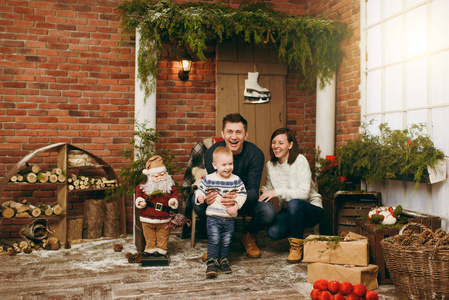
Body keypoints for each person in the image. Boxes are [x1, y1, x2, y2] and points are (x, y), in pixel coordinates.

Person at [191, 113, 275, 259]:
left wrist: (237, 198)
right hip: (219, 201)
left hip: (244, 199)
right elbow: (211, 184)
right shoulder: (212, 153)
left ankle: (248, 235)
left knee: (268, 211)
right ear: (223, 134)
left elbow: (254, 191)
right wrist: (209, 197)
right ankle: (214, 241)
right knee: (196, 201)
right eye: (230, 131)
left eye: (238, 132)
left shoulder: (255, 155)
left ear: (246, 135)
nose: (234, 137)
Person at [258, 128, 323, 264]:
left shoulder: (300, 161)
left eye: (281, 143)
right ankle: (298, 233)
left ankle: (296, 247)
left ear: (290, 145)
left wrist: (277, 192)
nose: (276, 146)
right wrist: (264, 189)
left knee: (294, 203)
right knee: (273, 232)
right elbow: (271, 186)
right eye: (274, 142)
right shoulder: (271, 165)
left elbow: (304, 193)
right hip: (289, 210)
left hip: (311, 209)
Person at [195, 146, 247, 278]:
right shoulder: (209, 179)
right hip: (213, 217)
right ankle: (211, 262)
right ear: (215, 165)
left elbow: (243, 194)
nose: (228, 167)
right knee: (214, 239)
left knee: (226, 240)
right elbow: (200, 190)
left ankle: (223, 260)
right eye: (224, 164)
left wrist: (236, 206)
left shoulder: (236, 179)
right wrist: (200, 197)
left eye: (230, 163)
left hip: (229, 217)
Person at [135, 155, 180, 257]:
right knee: (149, 236)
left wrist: (173, 201)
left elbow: (175, 194)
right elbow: (138, 196)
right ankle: (150, 249)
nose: (159, 178)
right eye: (156, 176)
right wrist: (140, 202)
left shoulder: (170, 186)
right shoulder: (142, 187)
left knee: (163, 236)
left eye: (162, 175)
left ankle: (161, 250)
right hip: (147, 218)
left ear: (166, 174)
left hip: (164, 218)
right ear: (150, 176)